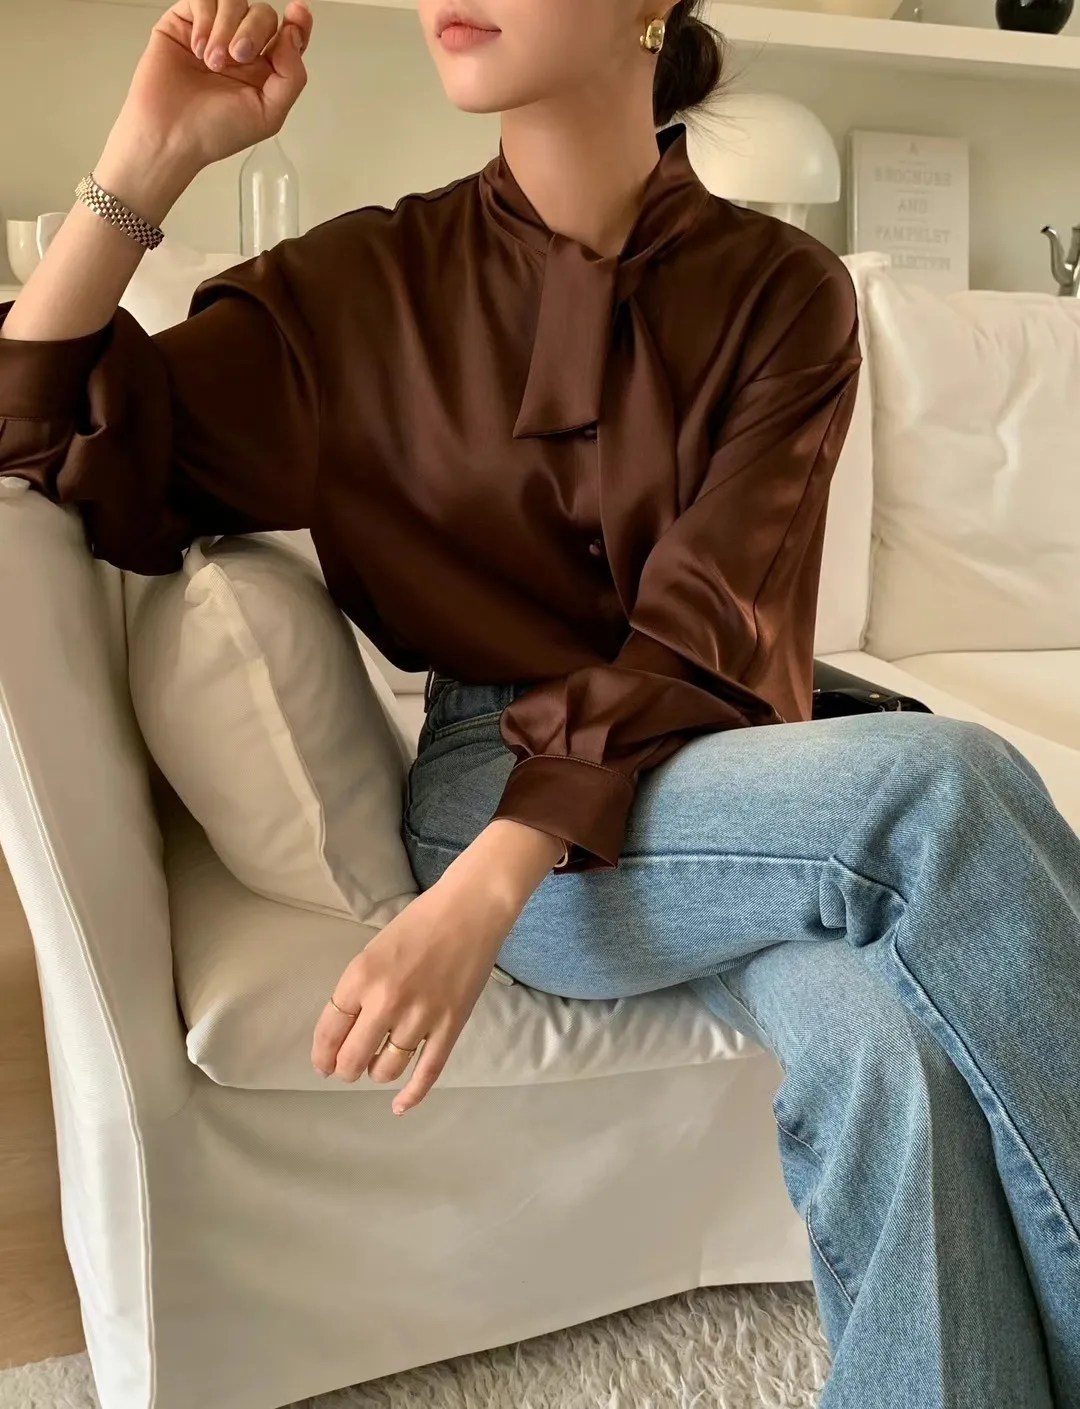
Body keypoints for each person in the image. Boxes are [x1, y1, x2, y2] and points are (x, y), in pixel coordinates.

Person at [1, 1, 1078, 1402]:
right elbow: (36, 429)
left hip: (730, 777)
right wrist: (148, 158)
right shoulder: (363, 290)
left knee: (884, 1045)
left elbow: (706, 627)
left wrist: (490, 889)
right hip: (494, 781)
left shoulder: (785, 290)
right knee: (953, 790)